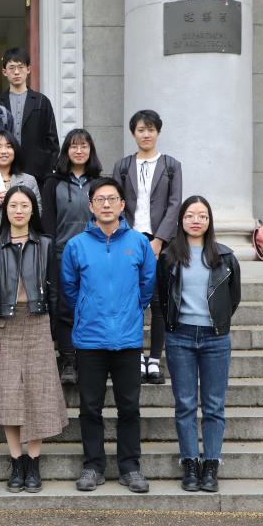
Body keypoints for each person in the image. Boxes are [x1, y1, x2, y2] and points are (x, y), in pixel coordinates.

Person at [61, 177, 155, 494]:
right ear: (91, 206)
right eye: (99, 199)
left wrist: (132, 308)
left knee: (129, 407)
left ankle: (130, 467)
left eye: (112, 198)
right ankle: (93, 466)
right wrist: (88, 309)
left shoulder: (138, 243)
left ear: (122, 205)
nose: (106, 204)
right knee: (90, 407)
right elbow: (70, 289)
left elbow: (147, 285)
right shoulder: (76, 246)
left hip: (127, 338)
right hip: (90, 339)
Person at [0, 185, 67, 493]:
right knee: (8, 395)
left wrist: (54, 333)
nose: (19, 211)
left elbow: (55, 292)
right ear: (5, 211)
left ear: (33, 210)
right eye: (13, 206)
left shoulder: (45, 244)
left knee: (38, 394)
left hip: (37, 321)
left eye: (24, 205)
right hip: (5, 324)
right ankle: (16, 462)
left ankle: (34, 462)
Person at [158, 196, 241, 493]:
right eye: (190, 215)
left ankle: (211, 464)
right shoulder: (169, 256)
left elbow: (233, 298)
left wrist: (216, 321)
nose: (196, 220)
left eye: (202, 216)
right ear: (181, 220)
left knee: (214, 405)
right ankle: (190, 463)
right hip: (179, 336)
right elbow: (162, 296)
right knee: (185, 404)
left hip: (215, 338)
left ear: (209, 221)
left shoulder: (225, 256)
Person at [111, 109, 182, 385]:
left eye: (151, 129)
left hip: (161, 243)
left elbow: (175, 204)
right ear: (133, 133)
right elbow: (115, 203)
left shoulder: (171, 165)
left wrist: (159, 240)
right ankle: (137, 356)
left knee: (158, 302)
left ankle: (154, 359)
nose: (146, 134)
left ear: (158, 132)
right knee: (132, 300)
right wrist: (128, 237)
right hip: (129, 240)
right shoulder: (123, 166)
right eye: (141, 130)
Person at [41, 129, 103, 385]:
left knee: (92, 306)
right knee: (64, 308)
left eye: (84, 146)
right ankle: (68, 359)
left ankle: (89, 359)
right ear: (66, 150)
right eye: (74, 146)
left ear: (90, 151)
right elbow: (47, 223)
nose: (79, 151)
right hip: (61, 255)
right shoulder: (53, 183)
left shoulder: (99, 183)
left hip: (94, 255)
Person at [0, 47, 60, 186]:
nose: (16, 72)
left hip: (37, 173)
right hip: (3, 172)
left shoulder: (41, 101)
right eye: (11, 68)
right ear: (4, 71)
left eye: (21, 67)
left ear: (28, 69)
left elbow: (52, 141)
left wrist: (48, 169)